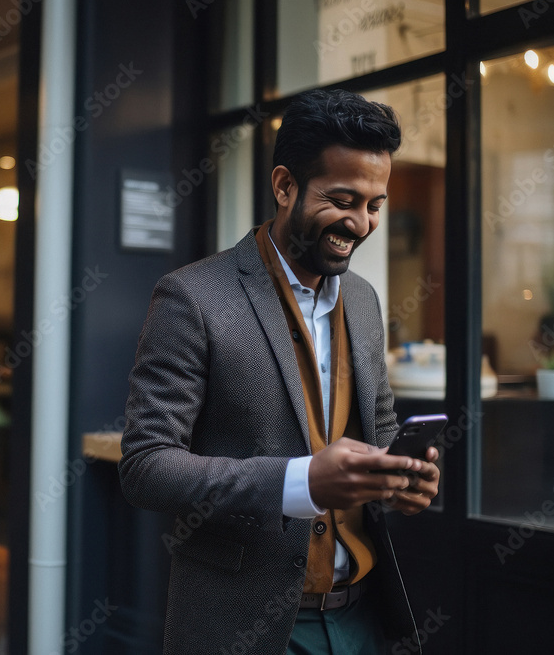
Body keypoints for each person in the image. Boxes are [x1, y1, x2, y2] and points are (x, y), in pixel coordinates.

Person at [119, 88, 441, 654]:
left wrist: (401, 478)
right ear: (285, 185)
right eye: (342, 199)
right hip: (245, 629)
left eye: (374, 205)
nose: (360, 224)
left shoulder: (363, 301)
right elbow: (146, 467)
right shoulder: (191, 297)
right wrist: (301, 482)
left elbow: (381, 428)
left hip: (363, 619)